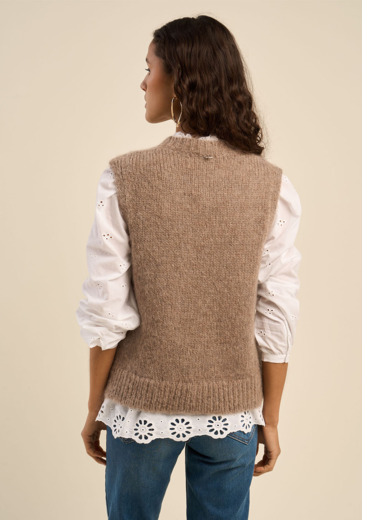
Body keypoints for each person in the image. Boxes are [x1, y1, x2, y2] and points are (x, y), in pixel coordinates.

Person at [76, 15, 302, 520]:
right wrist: (270, 416)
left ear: (180, 77)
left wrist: (95, 409)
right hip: (234, 408)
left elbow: (107, 310)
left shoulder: (125, 177)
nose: (143, 83)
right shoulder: (272, 185)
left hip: (142, 405)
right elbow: (277, 310)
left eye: (149, 68)